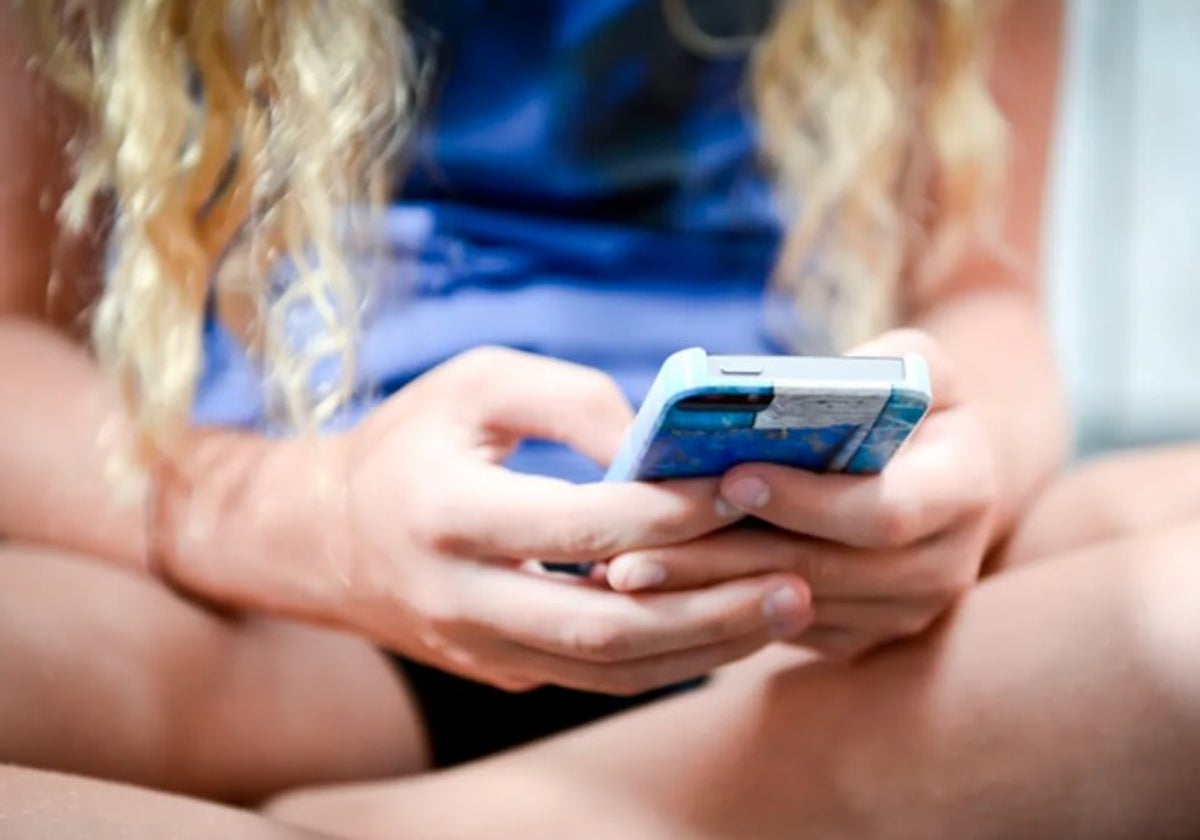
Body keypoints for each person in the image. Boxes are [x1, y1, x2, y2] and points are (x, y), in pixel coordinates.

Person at [2, 0, 1199, 837]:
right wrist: (303, 524)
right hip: (289, 608)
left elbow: (982, 295)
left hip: (797, 614)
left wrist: (957, 459)